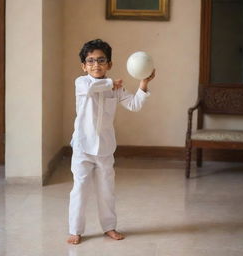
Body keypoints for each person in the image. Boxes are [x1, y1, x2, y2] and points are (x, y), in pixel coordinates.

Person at [68, 39, 155, 245]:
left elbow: (134, 105)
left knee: (107, 190)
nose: (95, 65)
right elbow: (92, 89)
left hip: (105, 149)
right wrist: (110, 83)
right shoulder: (81, 83)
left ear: (109, 64)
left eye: (101, 60)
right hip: (82, 147)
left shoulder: (115, 89)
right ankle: (75, 230)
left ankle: (109, 227)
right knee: (80, 189)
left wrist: (143, 84)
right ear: (83, 66)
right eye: (90, 61)